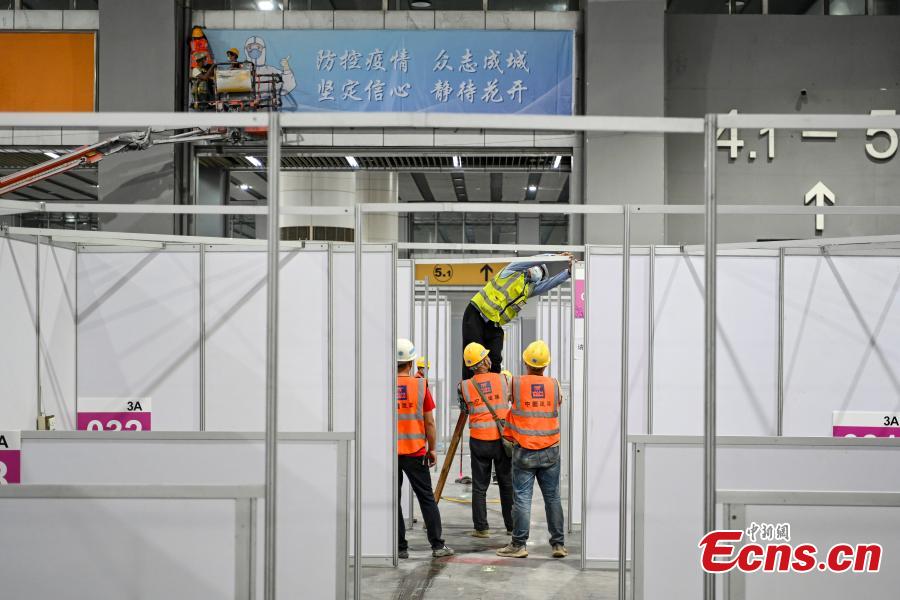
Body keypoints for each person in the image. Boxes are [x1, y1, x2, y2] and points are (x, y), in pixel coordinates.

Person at [496, 340, 567, 559]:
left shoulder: (515, 383)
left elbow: (511, 403)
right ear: (546, 365)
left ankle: (519, 545)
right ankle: (558, 545)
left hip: (524, 450)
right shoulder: (555, 384)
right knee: (553, 498)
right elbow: (558, 403)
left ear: (526, 361)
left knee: (523, 499)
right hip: (550, 449)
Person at [462, 253, 574, 380]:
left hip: (494, 324)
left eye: (541, 274)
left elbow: (550, 284)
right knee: (473, 356)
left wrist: (568, 273)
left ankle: (494, 392)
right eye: (538, 268)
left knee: (495, 360)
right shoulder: (512, 270)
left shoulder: (528, 290)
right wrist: (556, 257)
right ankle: (467, 394)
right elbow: (533, 260)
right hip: (476, 313)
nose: (538, 272)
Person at [396, 338, 454, 559]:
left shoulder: (383, 385)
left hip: (390, 454)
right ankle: (437, 546)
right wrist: (432, 449)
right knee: (426, 498)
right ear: (411, 363)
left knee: (393, 501)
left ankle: (399, 548)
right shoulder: (420, 385)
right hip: (416, 452)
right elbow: (429, 422)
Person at [458, 342, 514, 538]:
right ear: (485, 361)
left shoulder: (464, 386)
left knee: (479, 487)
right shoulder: (504, 379)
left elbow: (465, 410)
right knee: (507, 484)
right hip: (501, 440)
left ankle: (481, 528)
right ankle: (511, 526)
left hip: (479, 441)